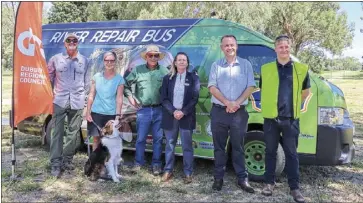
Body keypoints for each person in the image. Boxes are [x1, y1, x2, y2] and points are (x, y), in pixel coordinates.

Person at [260, 35, 310, 203]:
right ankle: (269, 184)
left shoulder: (301, 69)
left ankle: (294, 188)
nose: (284, 49)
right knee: (270, 152)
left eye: (286, 46)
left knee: (292, 154)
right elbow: (263, 89)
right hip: (271, 119)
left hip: (291, 120)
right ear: (275, 49)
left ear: (290, 48)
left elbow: (305, 92)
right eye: (280, 47)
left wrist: (292, 106)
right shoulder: (265, 69)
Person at [208, 35, 256, 192]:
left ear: (237, 46)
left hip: (239, 113)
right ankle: (218, 179)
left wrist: (237, 102)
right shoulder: (216, 65)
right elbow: (212, 87)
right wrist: (227, 102)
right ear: (222, 48)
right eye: (226, 45)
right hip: (219, 112)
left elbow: (250, 86)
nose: (229, 47)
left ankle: (242, 179)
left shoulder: (246, 65)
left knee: (238, 147)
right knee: (219, 148)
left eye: (232, 45)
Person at [47, 33, 91, 178]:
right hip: (59, 100)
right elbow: (49, 79)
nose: (72, 42)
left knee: (73, 134)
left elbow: (87, 83)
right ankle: (55, 163)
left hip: (77, 102)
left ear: (78, 43)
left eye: (74, 40)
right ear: (65, 44)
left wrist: (84, 103)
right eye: (69, 40)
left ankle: (67, 160)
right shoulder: (55, 59)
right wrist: (51, 96)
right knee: (57, 133)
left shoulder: (85, 61)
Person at [124, 45, 169, 176]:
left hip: (160, 109)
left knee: (158, 139)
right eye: (151, 55)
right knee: (141, 139)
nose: (153, 58)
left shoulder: (165, 71)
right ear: (146, 57)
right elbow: (125, 85)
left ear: (159, 57)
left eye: (156, 55)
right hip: (143, 110)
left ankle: (156, 165)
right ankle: (138, 163)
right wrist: (131, 98)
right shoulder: (138, 70)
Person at [160, 52, 200, 184]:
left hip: (186, 117)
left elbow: (195, 98)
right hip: (170, 116)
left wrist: (183, 112)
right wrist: (173, 111)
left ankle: (188, 173)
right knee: (170, 145)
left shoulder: (193, 78)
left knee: (187, 146)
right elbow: (164, 99)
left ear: (187, 63)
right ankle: (168, 171)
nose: (182, 62)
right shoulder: (167, 78)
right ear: (175, 63)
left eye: (184, 60)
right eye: (179, 60)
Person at [86, 51, 124, 150]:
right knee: (96, 140)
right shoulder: (96, 77)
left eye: (112, 61)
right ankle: (94, 162)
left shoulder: (119, 79)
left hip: (110, 115)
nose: (109, 63)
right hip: (96, 113)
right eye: (107, 60)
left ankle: (106, 163)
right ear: (103, 61)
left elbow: (119, 98)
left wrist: (117, 116)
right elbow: (91, 95)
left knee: (108, 140)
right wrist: (88, 112)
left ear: (115, 62)